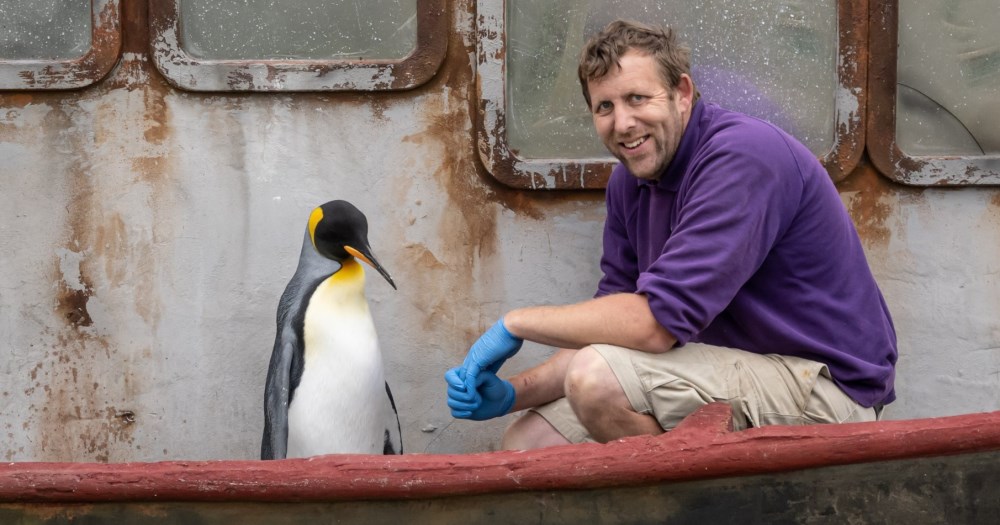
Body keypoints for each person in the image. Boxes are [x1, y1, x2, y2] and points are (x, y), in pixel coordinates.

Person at [445, 20, 897, 450]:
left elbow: (654, 326)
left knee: (597, 379)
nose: (622, 123)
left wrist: (515, 323)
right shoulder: (631, 182)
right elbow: (614, 332)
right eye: (605, 107)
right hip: (726, 377)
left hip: (825, 392)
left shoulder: (743, 157)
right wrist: (510, 394)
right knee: (529, 443)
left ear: (682, 93)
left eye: (637, 98)